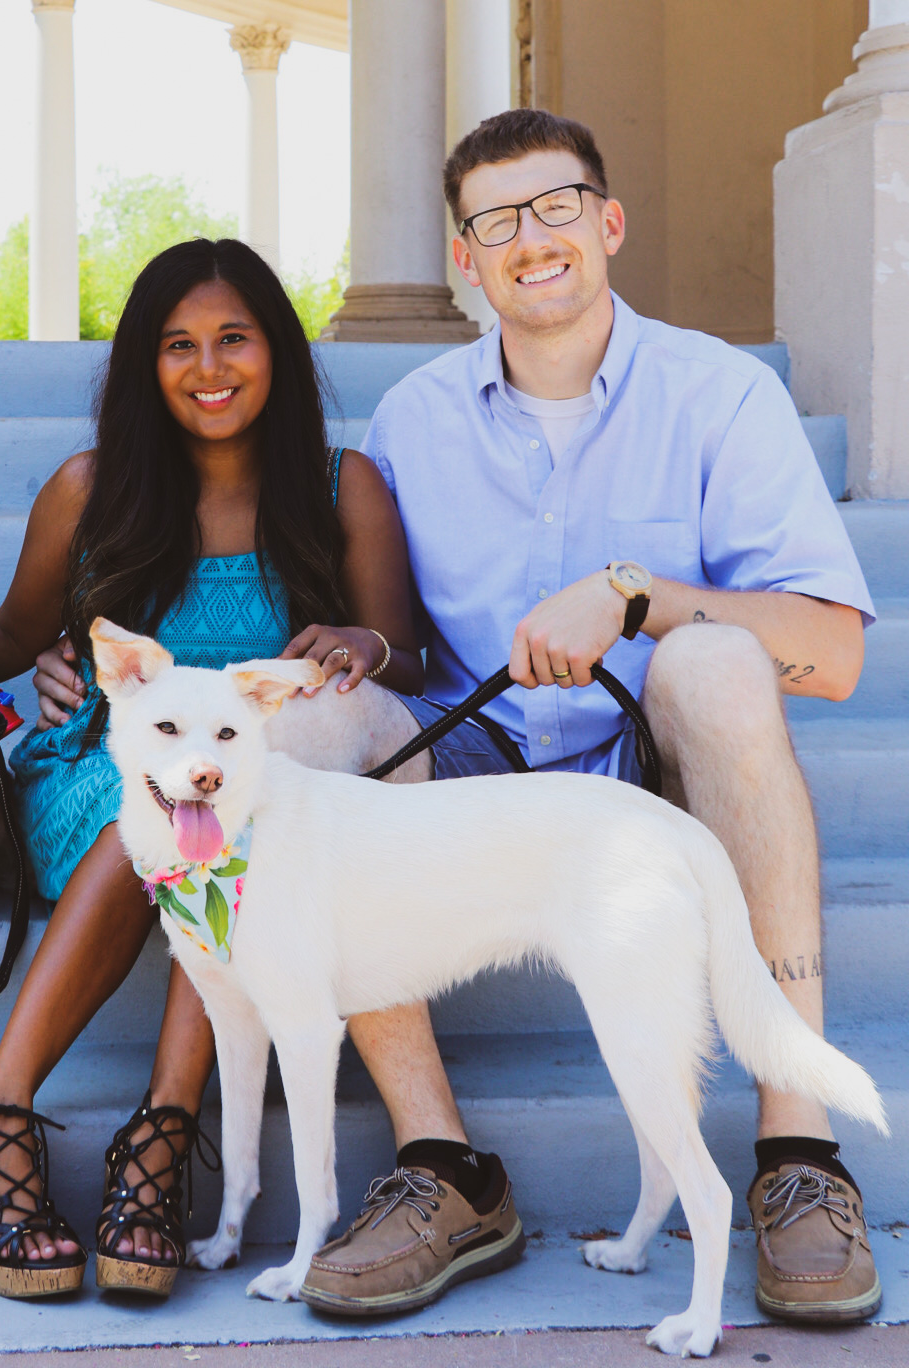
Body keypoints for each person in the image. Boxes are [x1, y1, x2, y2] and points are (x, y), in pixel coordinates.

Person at [310, 106, 880, 1327]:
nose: (531, 238)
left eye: (556, 205)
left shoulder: (720, 394)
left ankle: (795, 1155)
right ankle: (442, 1166)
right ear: (463, 259)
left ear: (607, 222)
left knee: (714, 664)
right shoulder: (411, 420)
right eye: (495, 222)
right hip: (482, 764)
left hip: (646, 764)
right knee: (312, 732)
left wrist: (635, 596)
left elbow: (832, 656)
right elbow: (396, 643)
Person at [0, 236, 506, 1304]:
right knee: (157, 816)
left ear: (276, 350)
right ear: (144, 365)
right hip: (99, 771)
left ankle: (160, 1138)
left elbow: (407, 657)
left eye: (233, 338)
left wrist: (360, 644)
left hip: (250, 782)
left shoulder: (341, 486)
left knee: (240, 813)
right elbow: (12, 633)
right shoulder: (91, 489)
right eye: (178, 344)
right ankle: (0, 1116)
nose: (209, 367)